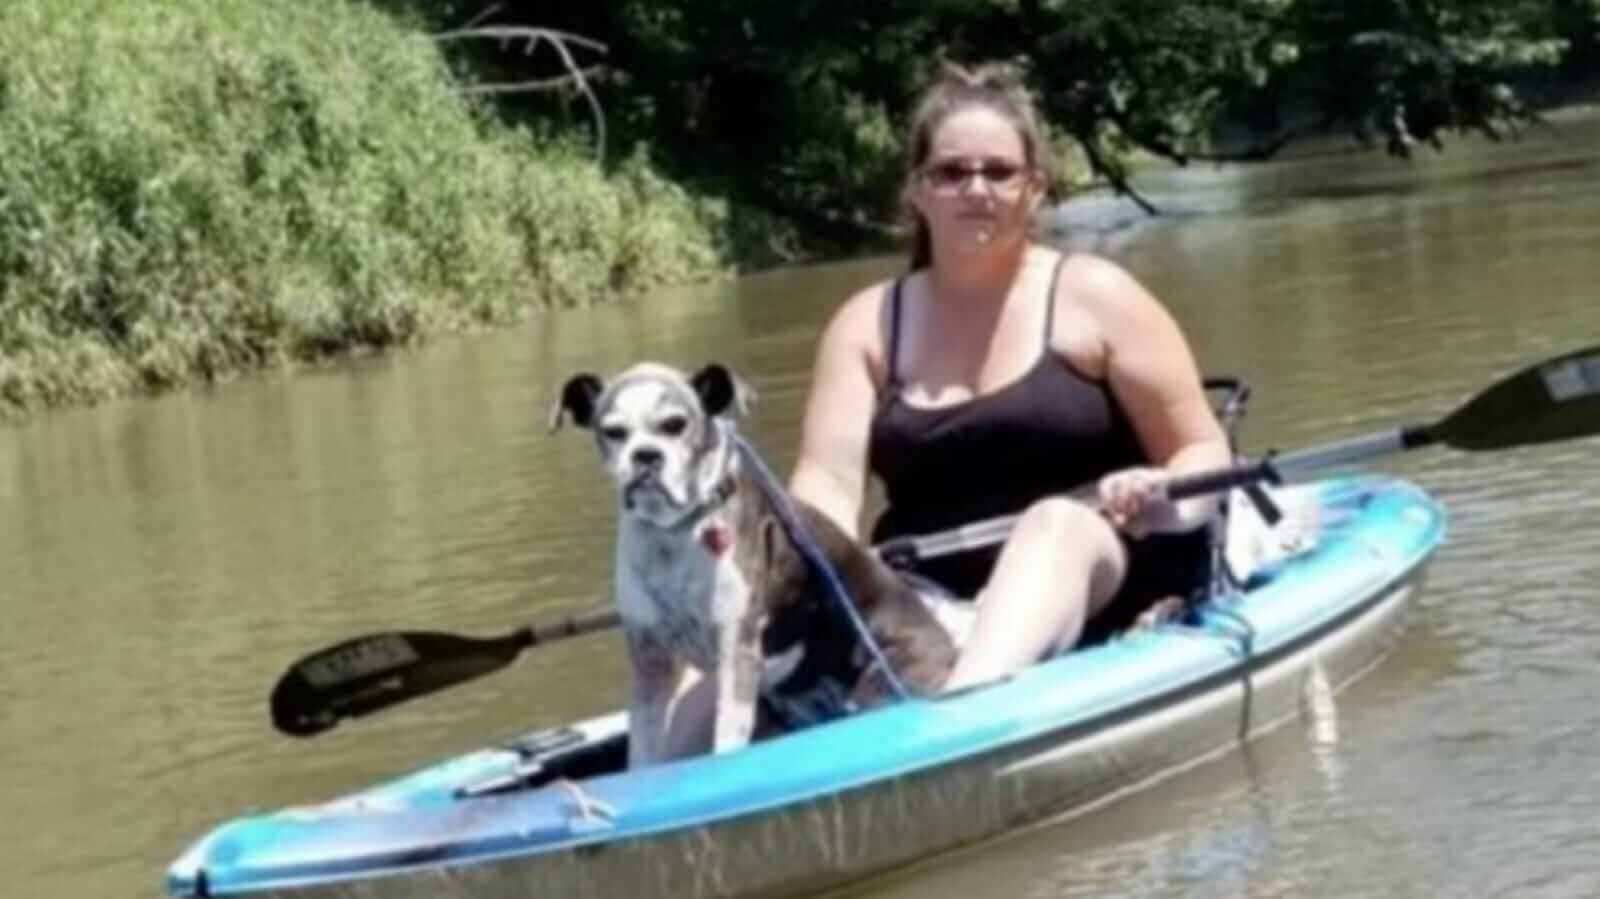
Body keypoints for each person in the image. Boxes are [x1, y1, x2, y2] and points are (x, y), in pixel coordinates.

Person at [788, 62, 1232, 692]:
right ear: (917, 191)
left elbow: (1200, 447)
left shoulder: (1098, 296)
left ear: (1035, 189)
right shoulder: (864, 326)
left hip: (1103, 560)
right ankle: (662, 774)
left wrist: (1162, 489)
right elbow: (826, 487)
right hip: (927, 595)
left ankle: (963, 709)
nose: (976, 189)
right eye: (951, 172)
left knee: (1052, 523)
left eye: (999, 172)